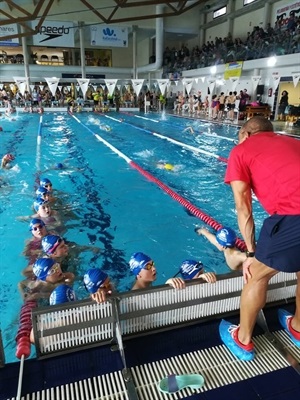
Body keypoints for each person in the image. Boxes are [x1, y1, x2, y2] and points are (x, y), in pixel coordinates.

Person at [219, 116, 300, 361]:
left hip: (294, 216)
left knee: (256, 273)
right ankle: (297, 326)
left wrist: (252, 253)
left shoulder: (241, 150)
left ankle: (242, 339)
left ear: (245, 134)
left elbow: (243, 206)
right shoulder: (293, 141)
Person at [129, 252, 216, 290]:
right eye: (148, 267)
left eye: (153, 264)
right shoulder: (135, 295)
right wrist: (166, 286)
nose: (154, 268)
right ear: (138, 274)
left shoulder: (145, 282)